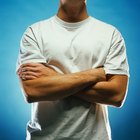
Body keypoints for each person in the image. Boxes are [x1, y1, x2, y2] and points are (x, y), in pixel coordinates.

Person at [16, 0, 129, 140]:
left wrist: (52, 75)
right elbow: (33, 91)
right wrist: (95, 74)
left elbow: (116, 96)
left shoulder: (111, 34)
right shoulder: (34, 33)